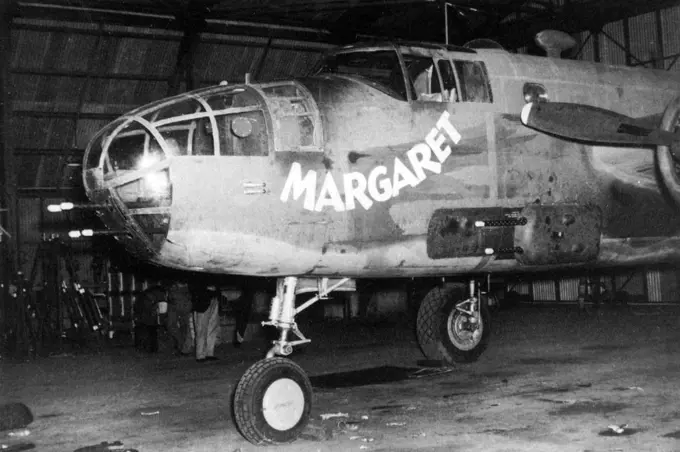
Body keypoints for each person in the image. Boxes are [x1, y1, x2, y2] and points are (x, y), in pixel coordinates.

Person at [188, 278, 220, 362]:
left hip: (213, 299)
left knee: (212, 327)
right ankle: (200, 355)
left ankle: (209, 353)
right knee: (201, 329)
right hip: (202, 301)